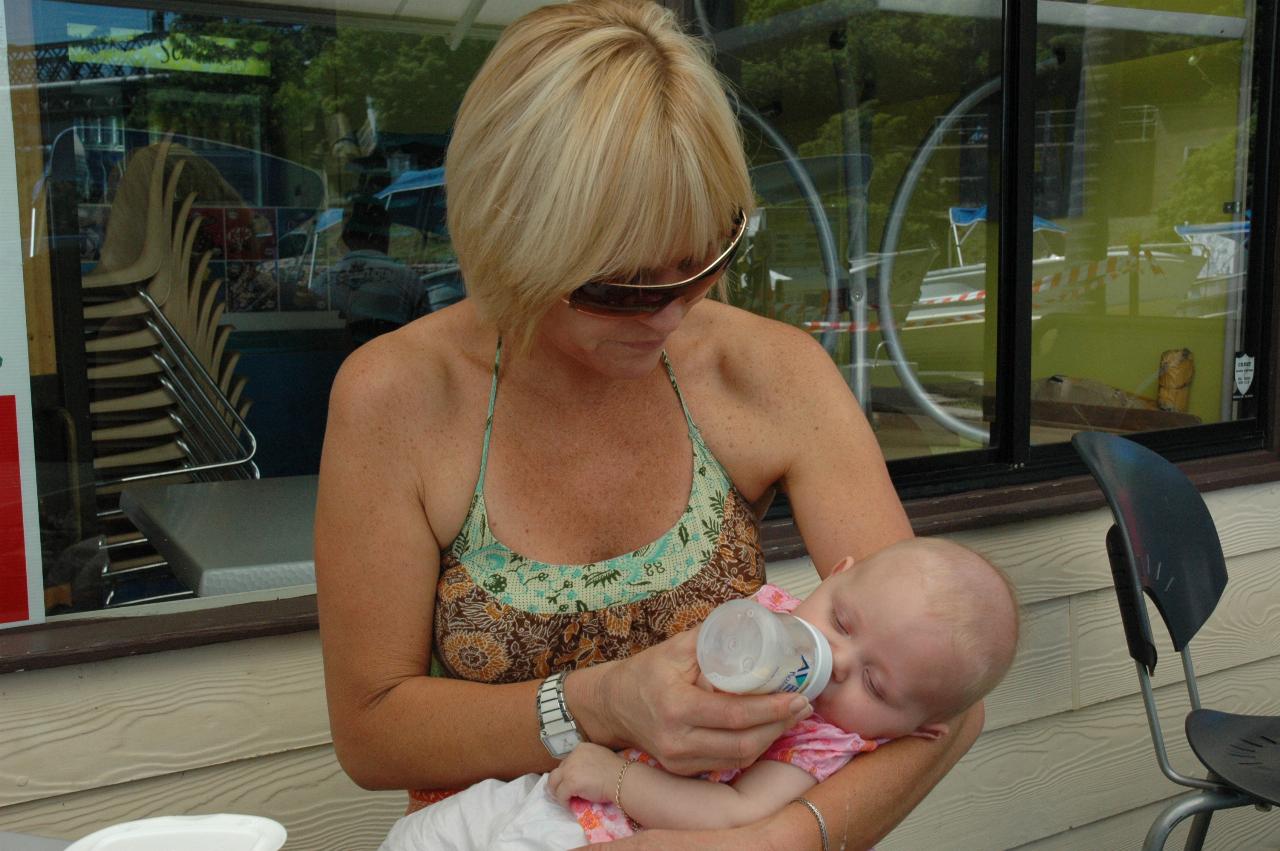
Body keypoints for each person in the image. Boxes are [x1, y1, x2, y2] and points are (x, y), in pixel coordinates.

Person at [314, 1, 986, 849]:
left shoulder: (768, 373)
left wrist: (767, 841)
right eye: (619, 284)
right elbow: (372, 730)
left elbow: (945, 698)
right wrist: (595, 702)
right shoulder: (401, 398)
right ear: (507, 237)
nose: (668, 315)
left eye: (704, 259)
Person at [375, 538, 1019, 849]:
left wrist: (614, 780)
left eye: (877, 685)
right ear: (835, 575)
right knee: (423, 839)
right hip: (542, 789)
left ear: (919, 730)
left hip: (602, 829)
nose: (839, 661)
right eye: (842, 622)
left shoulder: (825, 745)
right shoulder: (772, 621)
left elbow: (736, 815)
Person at [310, 196, 428, 344]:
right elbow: (425, 338)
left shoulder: (319, 285)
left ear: (346, 238)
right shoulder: (408, 280)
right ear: (384, 236)